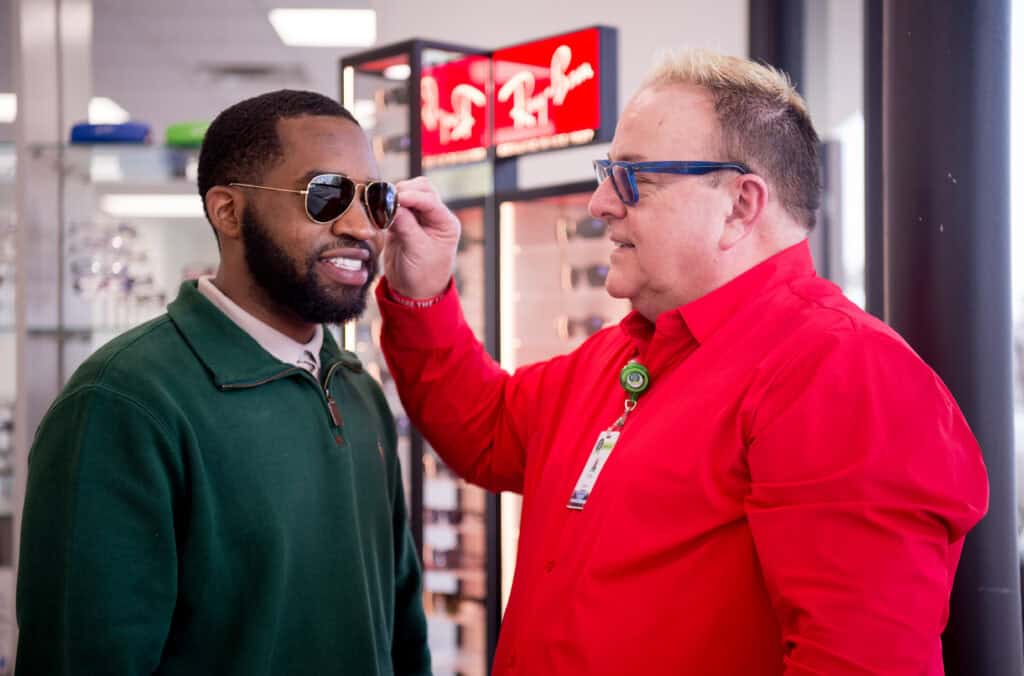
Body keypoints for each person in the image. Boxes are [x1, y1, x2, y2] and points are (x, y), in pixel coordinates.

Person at [377, 51, 989, 674]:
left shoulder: (840, 373)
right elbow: (485, 428)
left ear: (741, 205)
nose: (599, 204)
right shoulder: (627, 351)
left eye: (635, 177)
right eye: (607, 172)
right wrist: (421, 294)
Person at [16, 90, 430, 675]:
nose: (361, 226)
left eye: (376, 198)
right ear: (228, 211)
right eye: (325, 196)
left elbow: (401, 628)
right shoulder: (124, 402)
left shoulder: (357, 390)